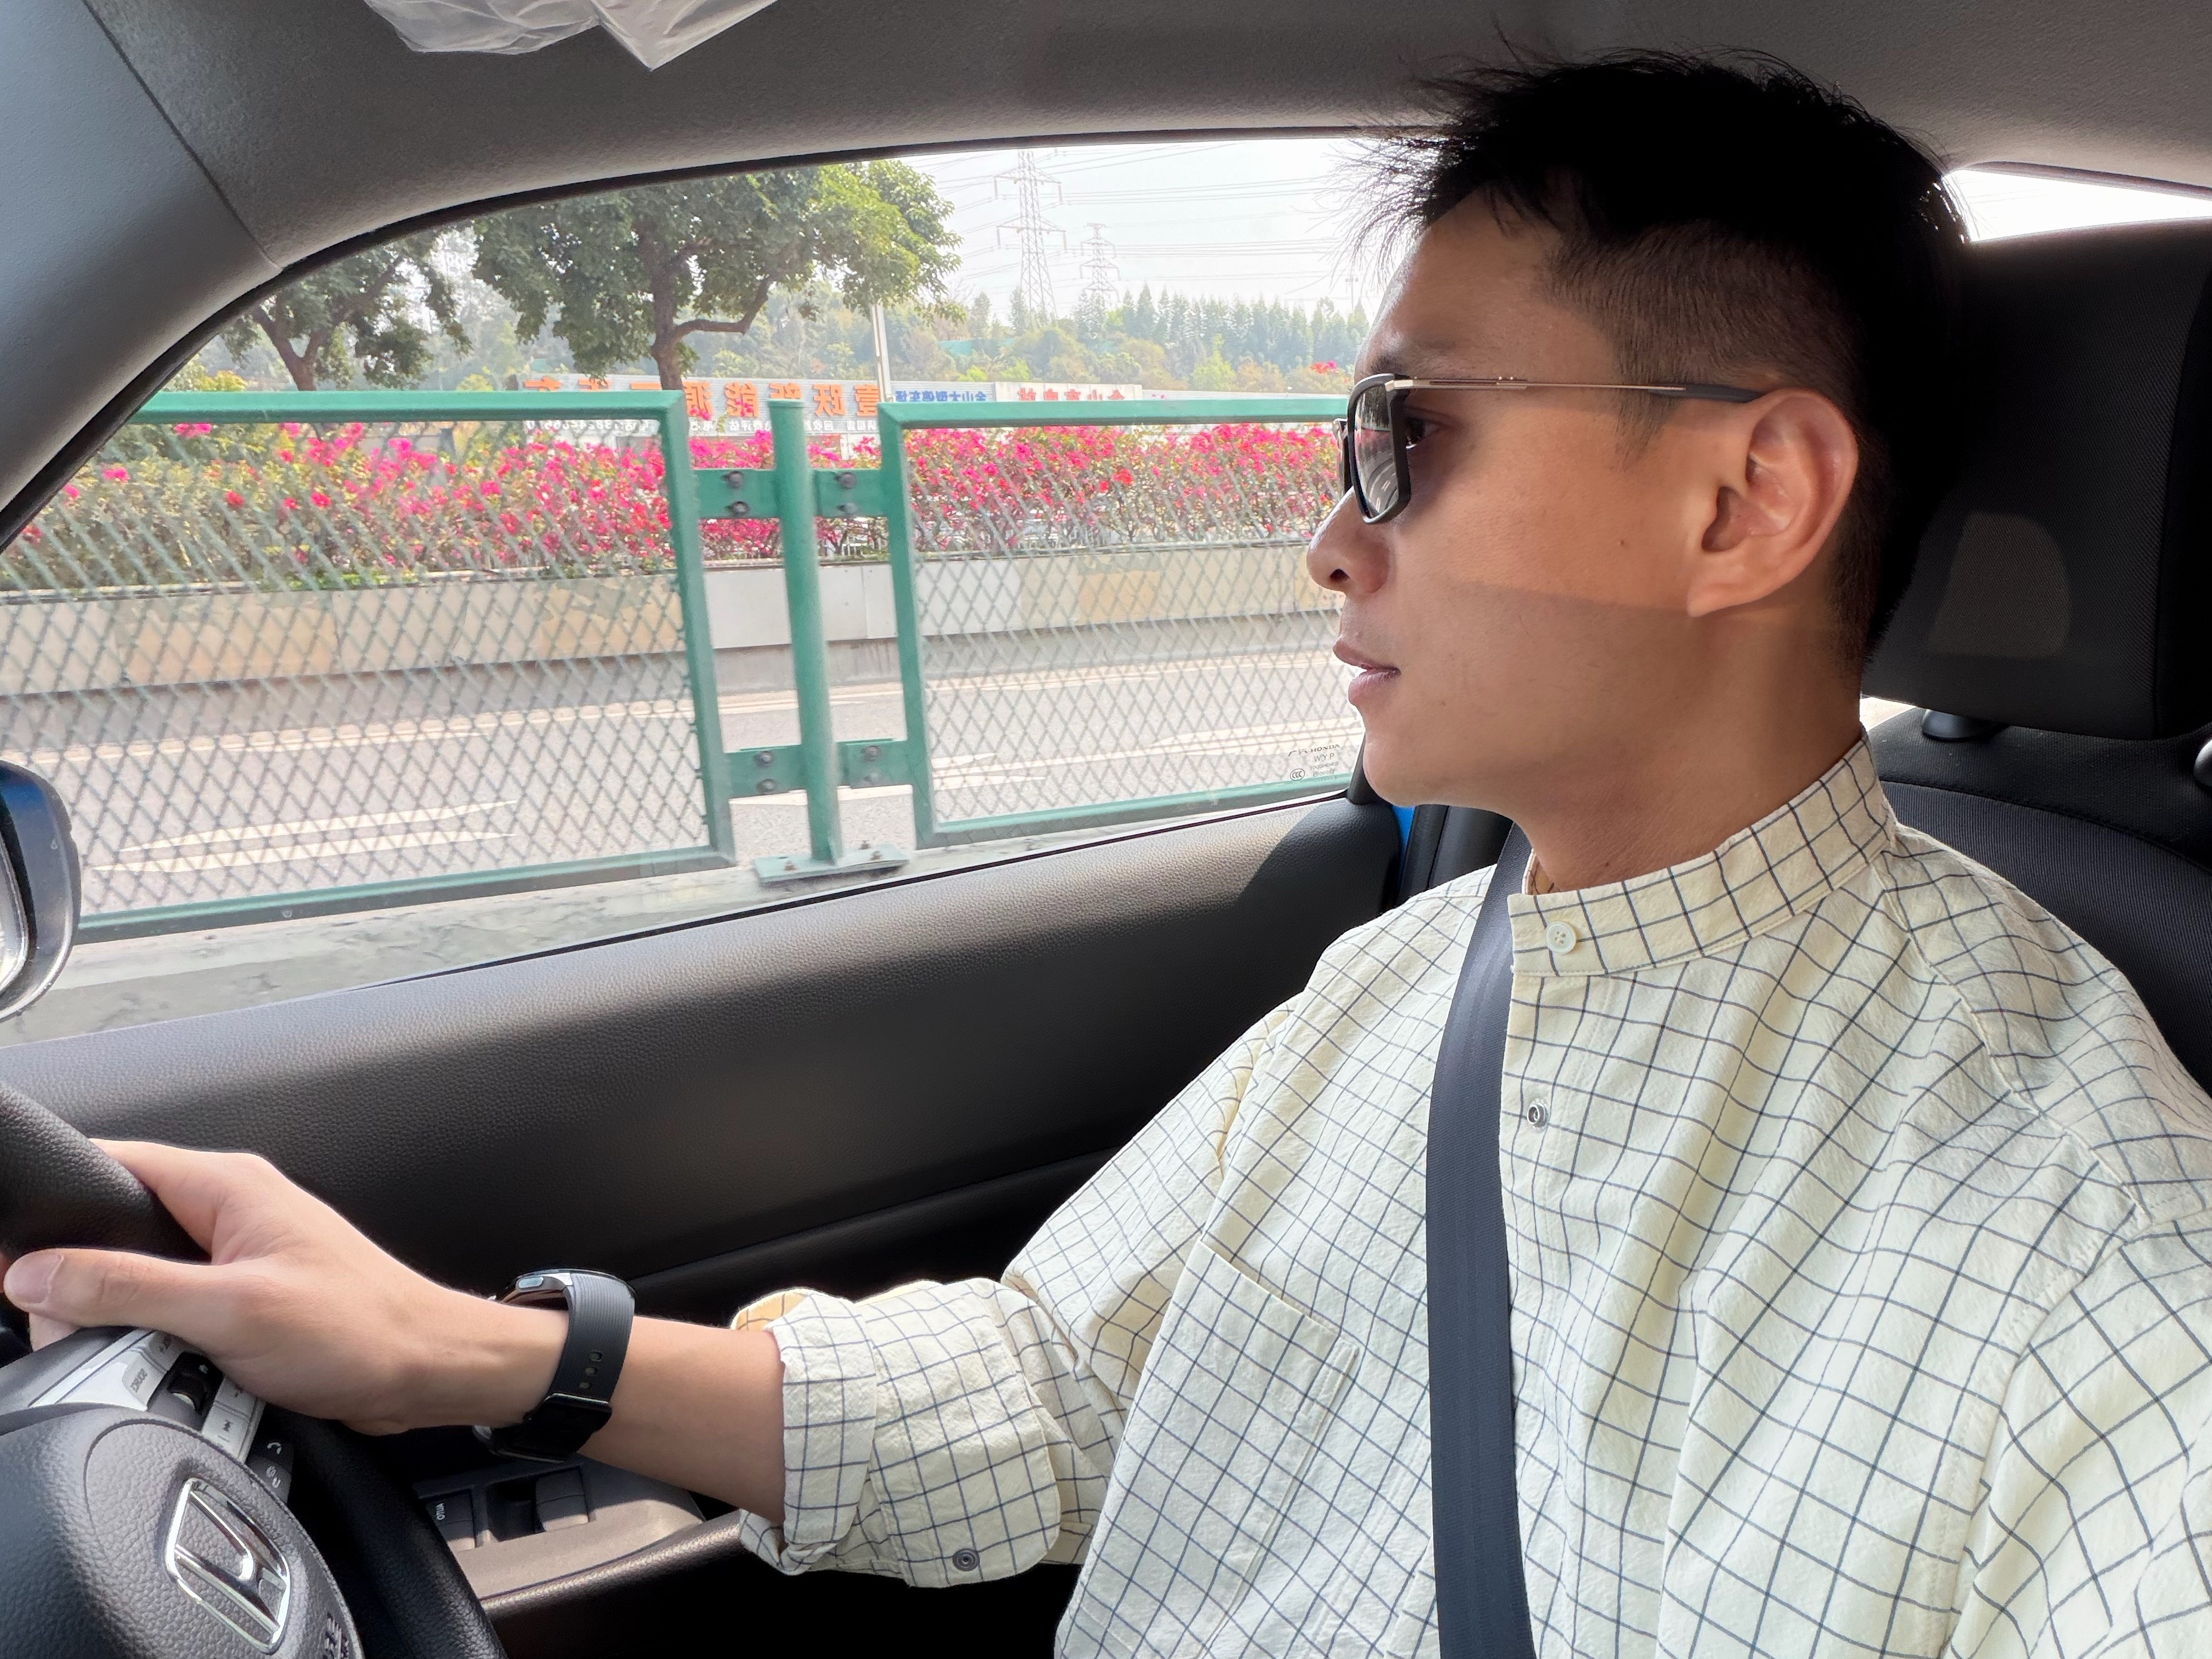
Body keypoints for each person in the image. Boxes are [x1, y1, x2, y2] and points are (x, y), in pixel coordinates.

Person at [8, 51, 2212, 1657]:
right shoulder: (1409, 979)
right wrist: (472, 1354)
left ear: (1742, 502)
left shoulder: (2083, 1256)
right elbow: (1059, 1384)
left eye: (1406, 435)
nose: (1326, 536)